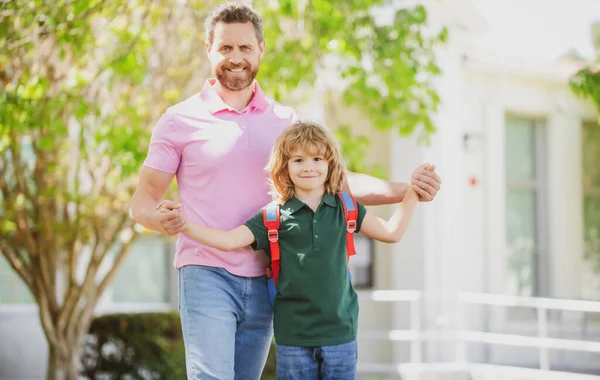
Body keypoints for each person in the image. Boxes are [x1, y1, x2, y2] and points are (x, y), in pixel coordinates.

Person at [130, 2, 441, 379]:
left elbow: (338, 184)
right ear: (208, 48)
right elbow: (143, 202)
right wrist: (165, 221)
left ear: (261, 49)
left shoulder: (285, 121)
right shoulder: (179, 120)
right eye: (225, 47)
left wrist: (410, 189)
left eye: (245, 47)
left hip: (267, 277)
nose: (236, 57)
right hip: (205, 271)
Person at [159, 121, 419, 380]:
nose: (309, 167)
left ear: (330, 164)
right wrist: (184, 225)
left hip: (341, 336)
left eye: (317, 158)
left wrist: (414, 193)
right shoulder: (273, 216)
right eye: (298, 160)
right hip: (293, 340)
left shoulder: (346, 208)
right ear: (284, 166)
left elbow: (391, 232)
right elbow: (228, 240)